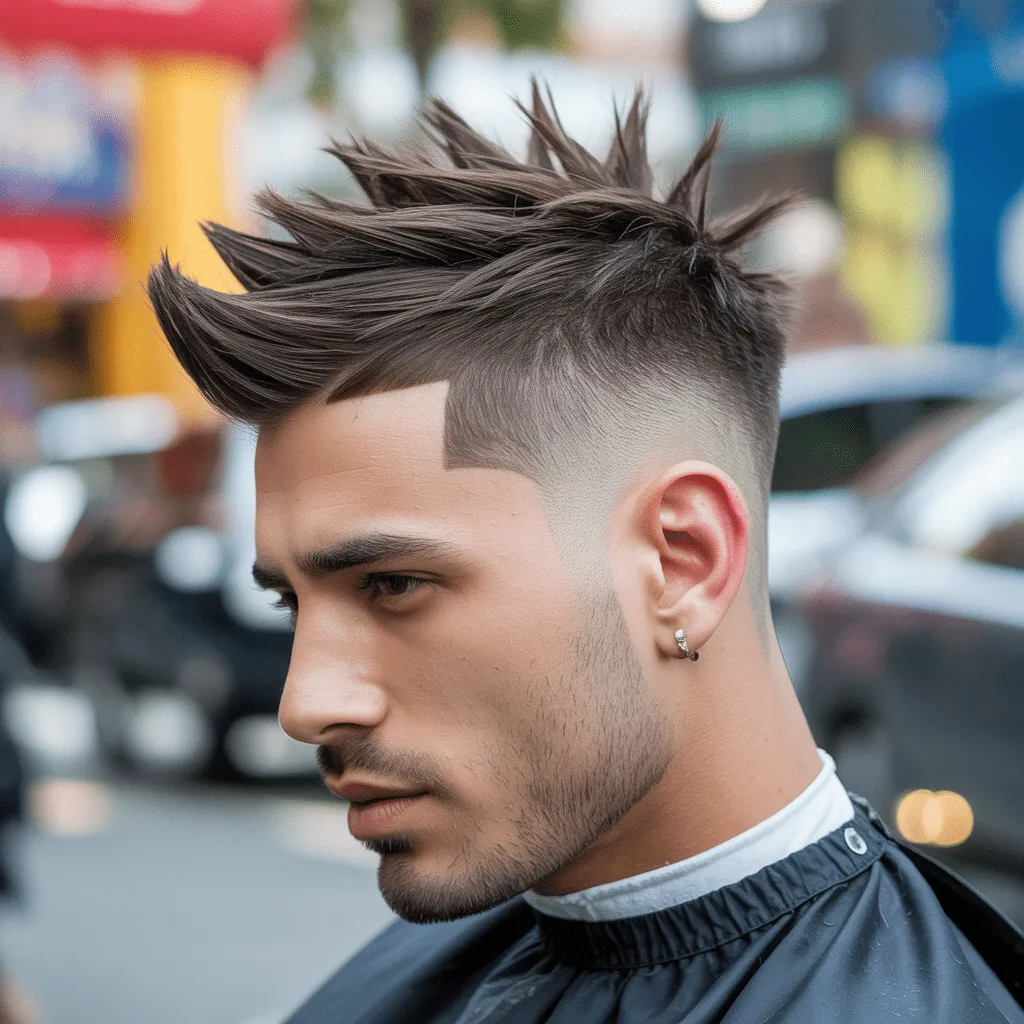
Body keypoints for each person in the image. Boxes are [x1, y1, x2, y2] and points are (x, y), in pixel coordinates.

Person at [148, 87, 1024, 1022]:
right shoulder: (398, 980)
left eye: (392, 584)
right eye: (292, 602)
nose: (303, 704)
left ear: (680, 562)